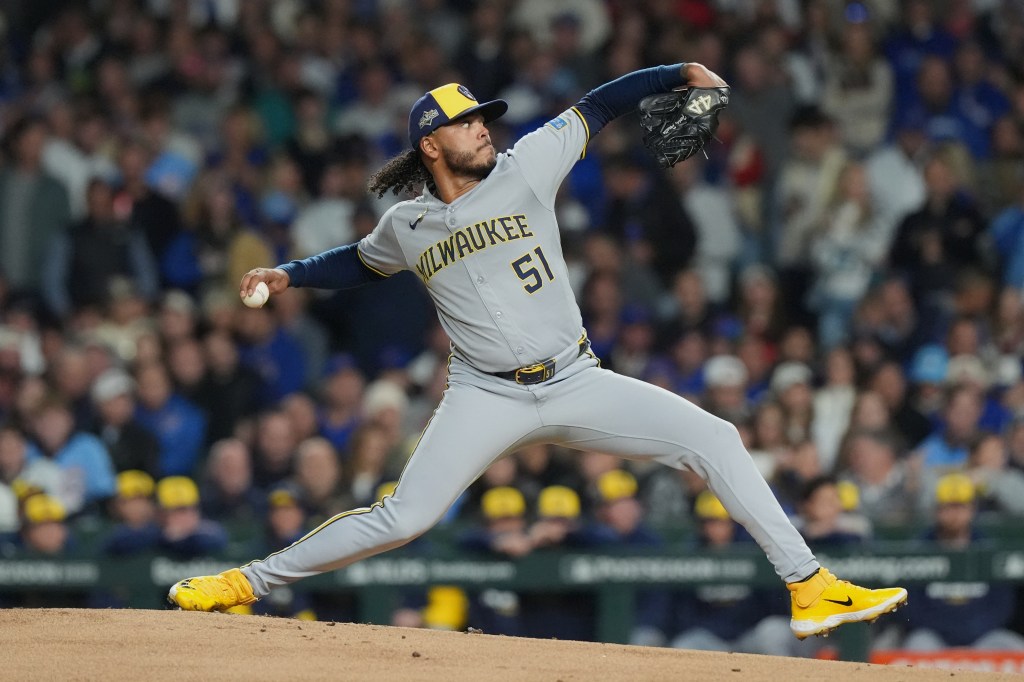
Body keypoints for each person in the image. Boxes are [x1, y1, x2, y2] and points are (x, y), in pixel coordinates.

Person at [169, 63, 906, 640]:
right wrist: (289, 274)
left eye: (484, 119)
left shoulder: (529, 165)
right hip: (484, 394)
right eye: (468, 124)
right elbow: (361, 261)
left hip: (577, 379)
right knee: (404, 518)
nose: (485, 130)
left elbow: (600, 104)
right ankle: (248, 582)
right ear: (432, 144)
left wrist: (681, 71)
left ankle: (809, 585)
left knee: (715, 437)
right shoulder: (407, 223)